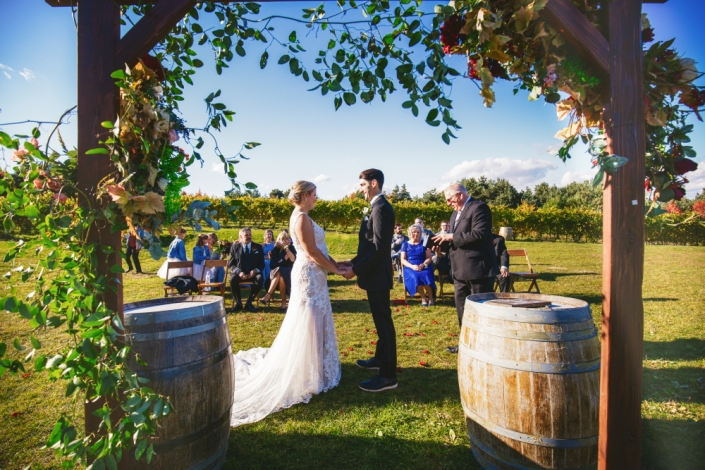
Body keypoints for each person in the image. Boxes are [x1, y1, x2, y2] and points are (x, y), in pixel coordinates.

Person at [230, 180, 350, 427]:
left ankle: (313, 366)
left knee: (314, 318)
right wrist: (337, 272)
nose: (317, 198)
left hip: (314, 273)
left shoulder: (301, 215)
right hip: (309, 273)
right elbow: (312, 251)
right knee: (308, 319)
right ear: (304, 196)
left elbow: (321, 249)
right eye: (314, 195)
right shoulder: (302, 218)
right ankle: (309, 373)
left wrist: (338, 264)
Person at [339, 169, 397, 392]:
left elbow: (379, 249)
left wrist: (356, 271)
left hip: (378, 276)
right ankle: (379, 359)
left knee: (384, 325)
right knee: (380, 322)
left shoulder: (381, 209)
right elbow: (368, 244)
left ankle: (388, 376)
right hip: (373, 274)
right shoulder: (376, 207)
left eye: (363, 185)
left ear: (373, 183)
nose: (360, 189)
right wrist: (351, 262)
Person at [432, 183, 498, 354]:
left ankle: (483, 346)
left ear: (459, 195)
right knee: (462, 309)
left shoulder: (479, 208)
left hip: (478, 270)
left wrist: (451, 236)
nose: (448, 203)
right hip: (459, 269)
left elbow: (479, 234)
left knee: (480, 310)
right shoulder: (455, 213)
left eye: (449, 199)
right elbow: (455, 241)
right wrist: (442, 246)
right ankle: (465, 343)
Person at [227, 228, 265, 312]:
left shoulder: (257, 247)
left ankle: (249, 302)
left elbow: (261, 263)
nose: (248, 237)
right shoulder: (235, 247)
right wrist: (238, 272)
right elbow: (231, 264)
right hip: (240, 273)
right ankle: (238, 303)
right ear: (240, 237)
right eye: (246, 235)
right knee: (232, 279)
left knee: (259, 279)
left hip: (253, 273)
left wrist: (255, 270)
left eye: (249, 235)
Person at [400, 224, 436, 306]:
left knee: (426, 274)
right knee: (416, 275)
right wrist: (412, 266)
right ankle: (423, 297)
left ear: (420, 233)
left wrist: (423, 265)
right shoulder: (405, 245)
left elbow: (429, 258)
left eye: (418, 232)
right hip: (410, 266)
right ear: (410, 233)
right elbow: (403, 259)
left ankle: (430, 297)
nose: (416, 234)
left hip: (423, 265)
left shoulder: (424, 244)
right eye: (414, 232)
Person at [261, 231, 297, 310]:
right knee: (280, 272)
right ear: (280, 240)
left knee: (281, 273)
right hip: (275, 274)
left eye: (288, 238)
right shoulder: (275, 250)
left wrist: (286, 249)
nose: (288, 240)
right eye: (285, 239)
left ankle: (268, 294)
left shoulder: (292, 248)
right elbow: (272, 265)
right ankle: (283, 302)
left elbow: (293, 259)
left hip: (289, 274)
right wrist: (284, 259)